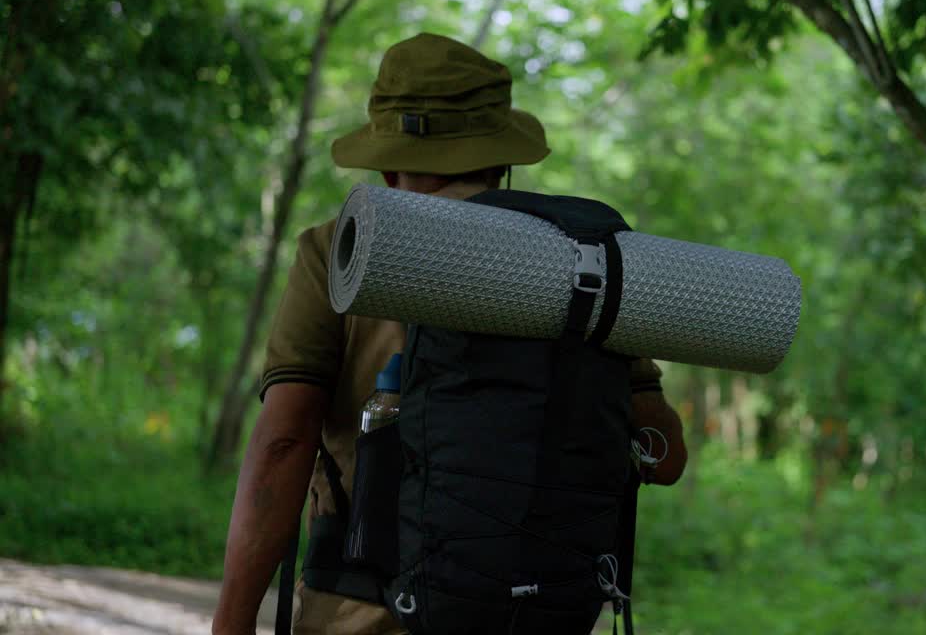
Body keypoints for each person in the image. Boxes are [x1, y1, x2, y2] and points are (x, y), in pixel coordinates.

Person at [212, 33, 688, 635]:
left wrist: (230, 623)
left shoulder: (339, 252)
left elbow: (285, 439)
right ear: (500, 158)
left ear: (386, 164)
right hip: (533, 619)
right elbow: (664, 455)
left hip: (365, 614)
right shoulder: (586, 267)